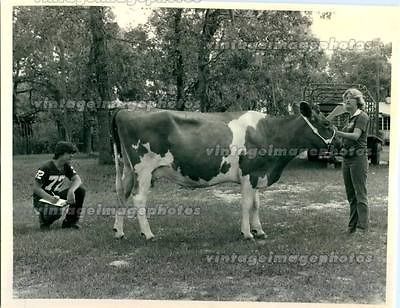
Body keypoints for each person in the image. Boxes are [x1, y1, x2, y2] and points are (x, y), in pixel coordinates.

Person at [333, 88, 370, 234]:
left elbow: (355, 136)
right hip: (347, 159)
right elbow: (345, 140)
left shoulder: (362, 116)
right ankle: (352, 226)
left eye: (350, 97)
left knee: (360, 193)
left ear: (358, 101)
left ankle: (362, 227)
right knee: (350, 195)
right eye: (345, 98)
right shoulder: (349, 118)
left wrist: (338, 132)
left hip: (358, 159)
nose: (347, 100)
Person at [33, 141, 86, 230]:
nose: (71, 156)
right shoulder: (46, 167)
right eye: (69, 153)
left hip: (55, 197)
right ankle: (44, 221)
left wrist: (71, 191)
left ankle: (70, 222)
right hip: (42, 199)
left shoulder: (66, 166)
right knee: (55, 212)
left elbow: (77, 179)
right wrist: (50, 199)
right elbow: (36, 188)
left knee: (80, 191)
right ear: (61, 153)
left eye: (72, 153)